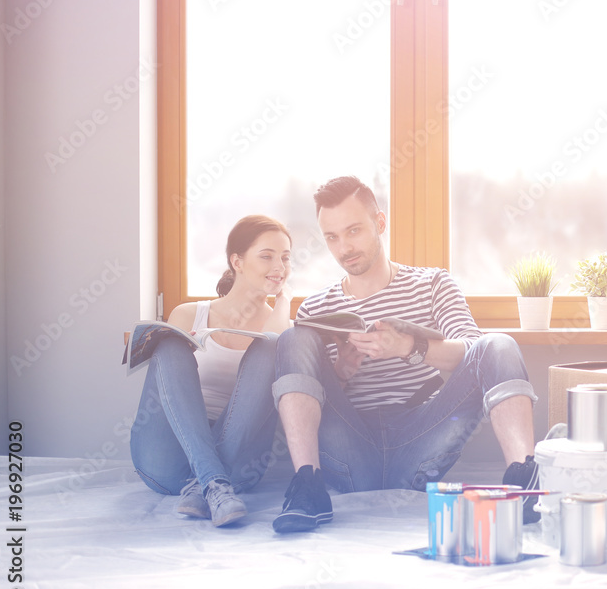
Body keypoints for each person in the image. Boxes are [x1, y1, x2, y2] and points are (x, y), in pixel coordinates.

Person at [270, 175, 539, 533]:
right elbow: (313, 397)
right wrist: (340, 372)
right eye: (332, 237)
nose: (344, 248)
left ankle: (523, 484)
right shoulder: (317, 307)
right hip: (351, 447)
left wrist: (411, 348)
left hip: (421, 439)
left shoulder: (432, 284)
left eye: (354, 231)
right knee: (292, 340)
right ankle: (307, 484)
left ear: (380, 223)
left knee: (499, 343)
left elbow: (475, 352)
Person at [130, 215, 293, 527]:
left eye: (285, 258)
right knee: (169, 346)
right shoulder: (189, 314)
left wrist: (284, 300)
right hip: (169, 457)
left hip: (238, 462)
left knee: (272, 346)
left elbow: (274, 343)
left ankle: (208, 482)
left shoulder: (280, 322)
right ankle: (211, 478)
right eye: (267, 256)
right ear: (237, 261)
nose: (280, 266)